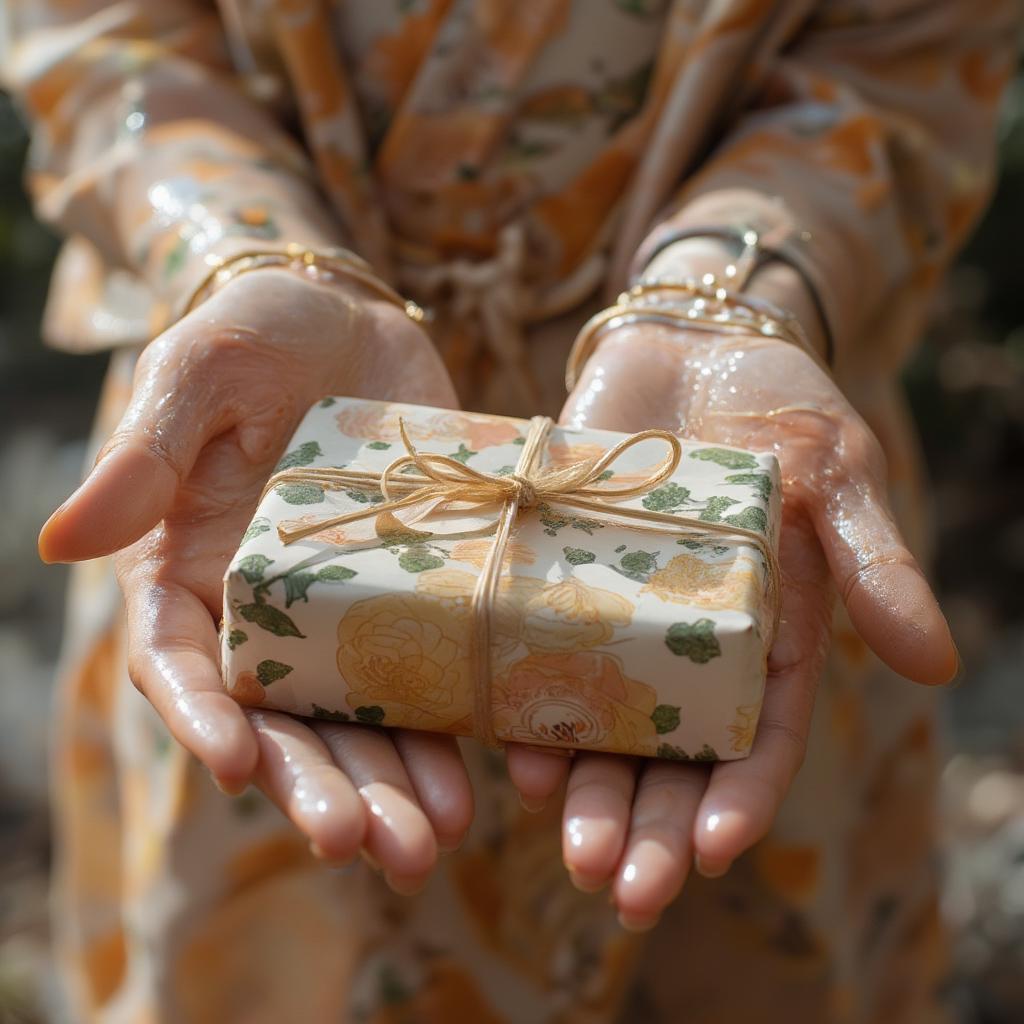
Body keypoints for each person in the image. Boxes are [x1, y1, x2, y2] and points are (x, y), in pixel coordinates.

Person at [3, 1, 1018, 1020]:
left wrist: (725, 290)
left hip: (743, 430)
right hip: (260, 438)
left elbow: (906, 54)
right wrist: (251, 253)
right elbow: (98, 34)